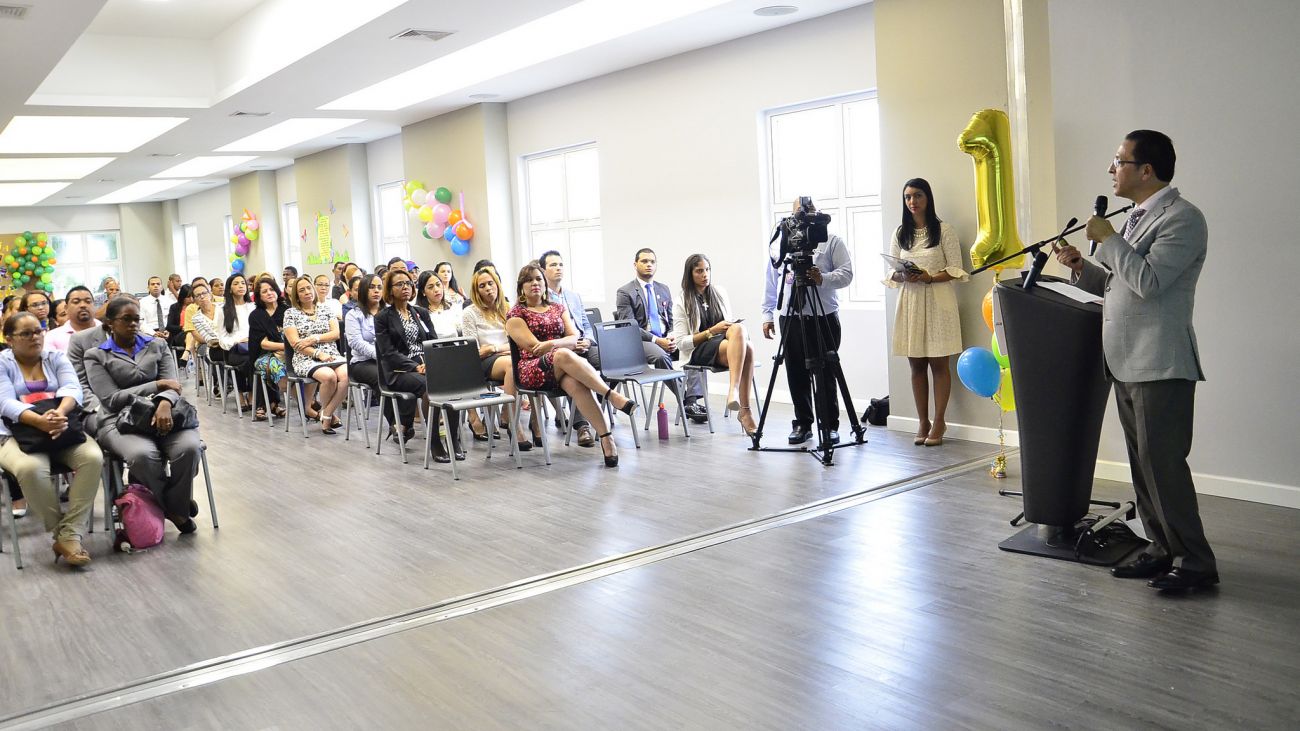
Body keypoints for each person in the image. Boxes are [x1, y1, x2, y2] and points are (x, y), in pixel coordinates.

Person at [1054, 129, 1216, 592]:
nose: (1111, 169)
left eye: (1119, 161)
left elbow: (1149, 282)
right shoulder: (1135, 218)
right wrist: (1081, 268)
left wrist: (1107, 240)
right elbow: (1118, 285)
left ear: (1146, 170)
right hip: (1126, 360)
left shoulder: (1183, 218)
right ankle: (1162, 548)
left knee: (1163, 466)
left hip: (1159, 361)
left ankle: (1195, 562)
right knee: (1144, 466)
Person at [84, 297, 201, 535]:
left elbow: (173, 384)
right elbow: (111, 399)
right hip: (119, 421)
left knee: (189, 448)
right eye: (126, 319)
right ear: (110, 323)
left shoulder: (157, 345)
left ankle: (171, 504)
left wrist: (165, 401)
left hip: (164, 413)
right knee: (142, 455)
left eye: (136, 319)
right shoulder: (96, 355)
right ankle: (177, 509)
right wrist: (156, 386)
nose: (133, 324)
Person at [507, 263, 636, 467]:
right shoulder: (516, 315)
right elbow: (534, 348)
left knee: (577, 385)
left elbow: (575, 337)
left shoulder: (558, 307)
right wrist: (560, 344)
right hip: (532, 370)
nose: (535, 283)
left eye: (539, 279)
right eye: (529, 280)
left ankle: (606, 437)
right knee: (563, 354)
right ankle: (611, 395)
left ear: (545, 284)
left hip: (561, 365)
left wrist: (552, 344)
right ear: (521, 287)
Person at [0, 312, 104, 564]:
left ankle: (68, 535)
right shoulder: (2, 363)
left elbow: (73, 389)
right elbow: (4, 402)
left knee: (92, 457)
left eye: (38, 331)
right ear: (9, 338)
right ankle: (66, 535)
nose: (35, 337)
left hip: (61, 428)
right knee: (31, 468)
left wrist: (59, 413)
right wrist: (39, 421)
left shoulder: (55, 357)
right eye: (26, 333)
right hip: (13, 434)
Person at [761, 197, 854, 445]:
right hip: (790, 316)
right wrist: (767, 314)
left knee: (825, 372)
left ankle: (829, 426)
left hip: (823, 316)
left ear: (817, 214)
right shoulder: (782, 241)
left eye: (808, 212)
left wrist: (823, 278)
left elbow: (846, 274)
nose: (802, 218)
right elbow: (772, 278)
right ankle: (803, 424)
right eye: (798, 213)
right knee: (795, 372)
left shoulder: (831, 241)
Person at [884, 178, 968, 447]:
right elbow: (891, 272)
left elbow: (956, 269)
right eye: (908, 197)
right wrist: (903, 274)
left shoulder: (944, 231)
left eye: (917, 195)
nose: (912, 201)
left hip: (938, 301)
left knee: (939, 364)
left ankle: (939, 420)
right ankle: (922, 421)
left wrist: (929, 277)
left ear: (928, 198)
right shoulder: (900, 233)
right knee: (916, 365)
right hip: (910, 302)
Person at [374, 269, 458, 459]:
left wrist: (430, 362)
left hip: (426, 365)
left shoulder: (421, 313)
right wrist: (414, 366)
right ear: (390, 290)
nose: (405, 287)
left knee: (451, 384)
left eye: (408, 283)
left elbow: (433, 342)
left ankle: (454, 441)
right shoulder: (382, 317)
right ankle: (435, 442)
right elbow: (388, 353)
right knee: (429, 387)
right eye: (399, 284)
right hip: (399, 371)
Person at [671, 254, 758, 435]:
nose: (705, 275)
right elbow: (681, 343)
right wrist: (711, 331)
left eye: (707, 270)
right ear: (690, 274)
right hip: (698, 349)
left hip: (722, 343)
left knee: (740, 331)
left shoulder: (720, 292)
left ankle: (735, 394)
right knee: (748, 348)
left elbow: (729, 327)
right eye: (699, 271)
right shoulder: (682, 301)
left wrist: (726, 328)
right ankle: (744, 410)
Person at [614, 248, 704, 423]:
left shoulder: (663, 289)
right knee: (661, 356)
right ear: (635, 264)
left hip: (666, 338)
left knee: (694, 347)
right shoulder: (625, 292)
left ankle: (692, 399)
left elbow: (672, 318)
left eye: (652, 262)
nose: (649, 265)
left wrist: (672, 335)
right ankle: (686, 401)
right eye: (644, 261)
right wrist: (657, 340)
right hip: (641, 342)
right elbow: (629, 325)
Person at [463, 266, 535, 447]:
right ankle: (513, 422)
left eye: (490, 283)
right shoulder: (470, 313)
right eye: (482, 286)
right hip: (483, 362)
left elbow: (519, 342)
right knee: (512, 364)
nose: (488, 288)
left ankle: (510, 414)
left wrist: (494, 348)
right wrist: (496, 350)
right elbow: (474, 352)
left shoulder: (510, 309)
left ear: (497, 284)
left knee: (523, 363)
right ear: (476, 291)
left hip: (508, 356)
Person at [539, 250, 600, 446]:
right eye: (553, 265)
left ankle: (601, 404)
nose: (558, 268)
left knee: (607, 361)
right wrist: (570, 343)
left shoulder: (573, 296)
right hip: (562, 349)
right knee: (575, 373)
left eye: (560, 264)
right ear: (543, 270)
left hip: (583, 344)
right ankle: (582, 426)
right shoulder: (540, 299)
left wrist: (587, 340)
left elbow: (586, 324)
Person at [283, 276, 348, 435]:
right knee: (329, 377)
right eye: (301, 290)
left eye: (309, 288)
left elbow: (335, 333)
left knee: (347, 375)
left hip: (332, 354)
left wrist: (315, 338)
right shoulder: (290, 313)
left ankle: (326, 413)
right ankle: (328, 417)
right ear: (296, 295)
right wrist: (318, 353)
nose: (307, 292)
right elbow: (295, 343)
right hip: (305, 357)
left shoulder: (325, 309)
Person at [344, 273, 384, 426]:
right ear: (363, 290)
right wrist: (380, 355)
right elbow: (356, 342)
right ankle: (396, 424)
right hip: (362, 363)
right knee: (382, 377)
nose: (376, 291)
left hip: (387, 359)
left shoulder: (388, 312)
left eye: (379, 287)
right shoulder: (353, 314)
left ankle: (408, 418)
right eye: (371, 287)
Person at [247, 277, 288, 421]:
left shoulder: (287, 311)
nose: (269, 293)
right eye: (264, 291)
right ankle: (270, 404)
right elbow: (264, 344)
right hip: (264, 353)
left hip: (290, 352)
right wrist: (287, 347)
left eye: (271, 289)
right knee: (269, 365)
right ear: (259, 296)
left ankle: (269, 405)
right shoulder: (256, 315)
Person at [214, 273, 255, 411]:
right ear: (230, 289)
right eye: (236, 284)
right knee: (247, 360)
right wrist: (238, 341)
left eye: (243, 283)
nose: (241, 286)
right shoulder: (223, 310)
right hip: (234, 348)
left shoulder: (253, 306)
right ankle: (241, 394)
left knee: (255, 359)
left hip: (253, 346)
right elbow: (222, 337)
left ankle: (251, 393)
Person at [47, 287, 99, 353]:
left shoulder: (107, 330)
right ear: (66, 308)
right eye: (76, 302)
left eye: (88, 301)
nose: (83, 305)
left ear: (94, 305)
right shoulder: (51, 337)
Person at [417, 270, 462, 337]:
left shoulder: (454, 308)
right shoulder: (419, 313)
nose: (436, 290)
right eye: (430, 287)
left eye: (438, 285)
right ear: (423, 292)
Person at [164, 284, 194, 358]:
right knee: (189, 335)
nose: (191, 299)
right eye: (188, 297)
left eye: (192, 296)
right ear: (183, 297)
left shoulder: (196, 307)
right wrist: (182, 327)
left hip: (194, 333)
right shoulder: (174, 307)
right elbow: (169, 326)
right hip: (179, 334)